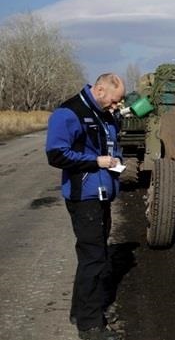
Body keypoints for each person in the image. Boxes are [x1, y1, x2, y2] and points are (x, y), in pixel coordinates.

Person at [46, 73, 125, 340]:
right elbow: (56, 154)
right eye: (114, 101)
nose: (116, 106)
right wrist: (96, 162)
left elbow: (109, 145)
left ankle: (80, 312)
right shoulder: (70, 112)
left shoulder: (104, 113)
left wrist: (114, 162)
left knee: (94, 255)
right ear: (100, 89)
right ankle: (90, 326)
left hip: (101, 194)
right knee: (94, 258)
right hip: (84, 198)